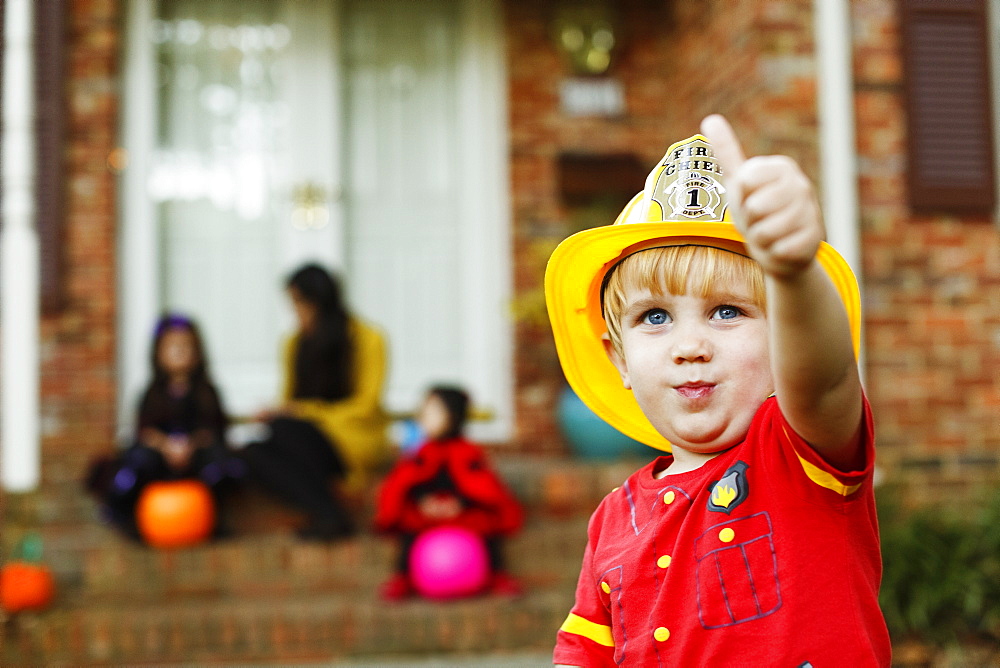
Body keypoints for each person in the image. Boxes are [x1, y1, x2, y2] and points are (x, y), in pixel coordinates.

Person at [547, 116, 891, 666]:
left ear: (783, 339)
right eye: (655, 316)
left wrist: (793, 272)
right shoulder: (613, 518)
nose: (690, 346)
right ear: (619, 359)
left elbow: (824, 379)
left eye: (727, 311)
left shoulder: (799, 450)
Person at [243, 263, 390, 540]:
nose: (295, 311)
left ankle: (330, 516)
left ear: (319, 301)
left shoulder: (369, 339)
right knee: (253, 451)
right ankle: (329, 513)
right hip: (310, 443)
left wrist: (305, 412)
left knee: (283, 429)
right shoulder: (292, 344)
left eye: (298, 303)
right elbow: (288, 403)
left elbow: (365, 407)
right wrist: (277, 412)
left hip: (354, 441)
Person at [86, 314, 242, 540]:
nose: (179, 352)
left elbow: (215, 429)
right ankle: (127, 515)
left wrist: (190, 445)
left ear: (197, 352)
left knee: (222, 465)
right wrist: (165, 446)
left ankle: (215, 518)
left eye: (185, 346)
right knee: (134, 463)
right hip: (160, 459)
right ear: (158, 353)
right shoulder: (152, 394)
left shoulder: (207, 393)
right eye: (172, 347)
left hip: (196, 458)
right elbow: (144, 431)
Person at [374, 386, 524, 600]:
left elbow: (480, 487)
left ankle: (497, 574)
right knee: (409, 529)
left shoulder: (468, 452)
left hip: (462, 514)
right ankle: (402, 577)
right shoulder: (420, 451)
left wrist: (459, 504)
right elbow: (408, 483)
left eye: (433, 412)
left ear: (452, 417)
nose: (423, 417)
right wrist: (424, 502)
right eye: (423, 411)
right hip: (427, 514)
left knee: (486, 526)